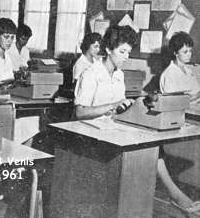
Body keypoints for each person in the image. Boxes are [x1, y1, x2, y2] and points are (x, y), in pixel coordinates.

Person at [75, 25, 200, 215]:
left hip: (114, 130)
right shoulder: (90, 73)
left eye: (128, 52)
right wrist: (112, 105)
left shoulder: (118, 74)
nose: (126, 56)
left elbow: (120, 109)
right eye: (122, 51)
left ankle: (161, 199)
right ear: (108, 49)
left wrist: (137, 104)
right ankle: (175, 197)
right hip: (92, 136)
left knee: (151, 147)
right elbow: (80, 112)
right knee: (147, 152)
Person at [160, 31, 200, 103]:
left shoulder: (188, 71)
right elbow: (174, 102)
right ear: (175, 53)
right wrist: (197, 95)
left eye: (190, 51)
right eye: (185, 52)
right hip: (179, 112)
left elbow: (196, 91)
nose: (189, 54)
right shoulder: (169, 74)